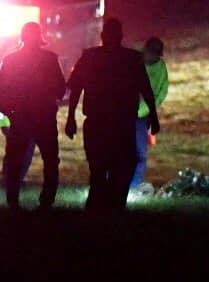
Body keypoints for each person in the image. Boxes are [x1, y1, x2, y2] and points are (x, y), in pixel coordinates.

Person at [65, 17, 160, 212]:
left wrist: (71, 118)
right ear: (121, 36)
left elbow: (75, 90)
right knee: (123, 166)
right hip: (121, 123)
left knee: (99, 168)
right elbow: (146, 89)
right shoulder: (132, 59)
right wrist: (154, 117)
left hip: (98, 122)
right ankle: (114, 206)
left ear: (102, 36)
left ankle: (96, 209)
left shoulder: (90, 57)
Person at [0, 21, 66, 210]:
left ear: (22, 37)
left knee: (15, 159)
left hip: (20, 117)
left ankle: (13, 201)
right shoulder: (50, 59)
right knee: (50, 160)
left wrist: (8, 112)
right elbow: (60, 90)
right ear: (39, 38)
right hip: (44, 116)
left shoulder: (11, 60)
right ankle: (46, 201)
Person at [130, 36, 169, 194]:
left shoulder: (160, 67)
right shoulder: (132, 62)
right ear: (145, 50)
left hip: (142, 117)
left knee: (140, 153)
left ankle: (133, 186)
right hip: (124, 113)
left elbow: (162, 90)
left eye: (157, 55)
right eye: (152, 54)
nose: (154, 58)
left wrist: (151, 111)